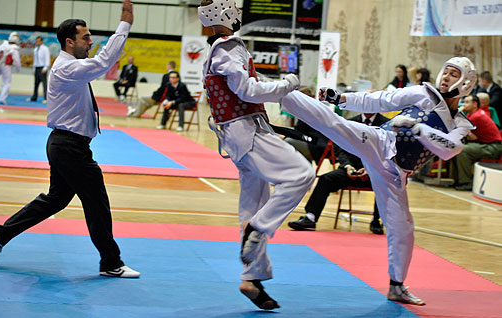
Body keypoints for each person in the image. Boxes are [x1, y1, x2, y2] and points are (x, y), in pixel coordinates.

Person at [280, 57, 478, 306]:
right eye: (446, 72)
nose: (446, 77)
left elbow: (451, 149)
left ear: (466, 83)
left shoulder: (460, 123)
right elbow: (382, 99)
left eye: (453, 74)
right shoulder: (423, 93)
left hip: (396, 173)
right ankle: (280, 92)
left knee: (403, 228)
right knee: (336, 124)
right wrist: (341, 98)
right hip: (382, 142)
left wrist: (418, 129)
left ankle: (397, 286)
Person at [0, 0, 140, 278]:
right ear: (70, 42)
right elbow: (105, 60)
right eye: (86, 38)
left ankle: (1, 233)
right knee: (96, 199)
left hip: (66, 145)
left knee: (56, 199)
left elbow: (99, 61)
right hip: (69, 147)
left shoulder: (72, 65)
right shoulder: (67, 68)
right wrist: (125, 24)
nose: (91, 42)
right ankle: (110, 262)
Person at [198, 0, 314, 310]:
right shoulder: (229, 46)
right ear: (224, 13)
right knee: (301, 174)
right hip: (246, 132)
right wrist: (287, 84)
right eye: (233, 7)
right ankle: (260, 228)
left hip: (238, 135)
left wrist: (274, 93)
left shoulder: (213, 50)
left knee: (254, 202)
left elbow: (244, 89)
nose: (238, 10)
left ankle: (253, 277)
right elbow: (248, 90)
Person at [288, 112, 389, 234]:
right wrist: (347, 165)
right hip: (349, 169)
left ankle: (376, 220)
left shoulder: (388, 125)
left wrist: (371, 169)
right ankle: (310, 217)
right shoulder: (349, 122)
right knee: (326, 179)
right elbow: (340, 147)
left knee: (386, 184)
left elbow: (389, 152)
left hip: (375, 172)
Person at [453, 94, 502, 190]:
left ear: (475, 104)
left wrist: (461, 110)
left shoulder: (477, 116)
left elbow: (457, 126)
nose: (464, 104)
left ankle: (466, 182)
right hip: (486, 144)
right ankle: (458, 180)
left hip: (493, 147)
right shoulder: (474, 114)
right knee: (456, 148)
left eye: (467, 102)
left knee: (462, 150)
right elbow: (471, 136)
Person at [0, 32, 21, 105]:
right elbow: (16, 60)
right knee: (7, 83)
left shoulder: (4, 45)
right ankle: (2, 98)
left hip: (0, 63)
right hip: (7, 65)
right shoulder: (14, 49)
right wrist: (18, 69)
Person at [27, 36, 51, 103]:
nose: (37, 42)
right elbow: (35, 60)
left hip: (42, 67)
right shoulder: (35, 49)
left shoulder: (45, 49)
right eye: (36, 41)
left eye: (38, 41)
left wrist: (46, 67)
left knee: (44, 84)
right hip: (37, 67)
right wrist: (34, 69)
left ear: (41, 41)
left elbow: (47, 58)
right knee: (36, 84)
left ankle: (46, 98)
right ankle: (34, 97)